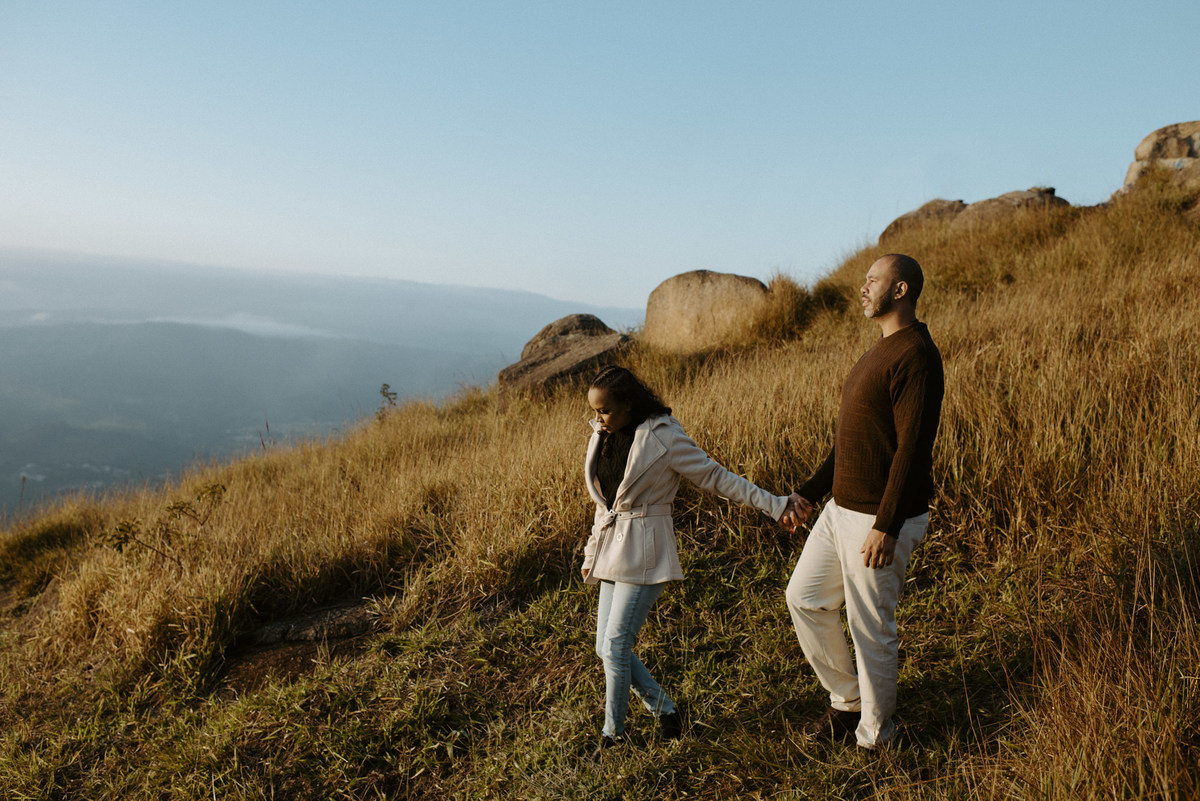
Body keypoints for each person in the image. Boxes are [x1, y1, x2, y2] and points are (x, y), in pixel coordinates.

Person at [582, 365, 805, 752]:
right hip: (610, 550)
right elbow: (605, 503)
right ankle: (667, 711)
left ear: (629, 405)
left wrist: (775, 505)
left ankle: (612, 737)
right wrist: (590, 551)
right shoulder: (604, 436)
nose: (597, 419)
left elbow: (717, 477)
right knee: (605, 647)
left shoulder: (663, 436)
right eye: (594, 410)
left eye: (604, 410)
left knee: (616, 647)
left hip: (646, 552)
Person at [784, 253, 944, 749]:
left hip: (877, 517)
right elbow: (854, 440)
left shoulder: (915, 355)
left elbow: (913, 451)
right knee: (805, 598)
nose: (863, 287)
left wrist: (887, 525)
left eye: (873, 280)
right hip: (840, 511)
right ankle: (847, 704)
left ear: (900, 290)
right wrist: (810, 493)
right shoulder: (881, 349)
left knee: (870, 627)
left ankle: (877, 737)